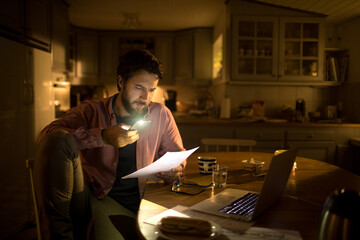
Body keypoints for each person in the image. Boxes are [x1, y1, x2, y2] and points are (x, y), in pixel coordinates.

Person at [34, 49, 186, 240]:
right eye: (139, 87)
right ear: (121, 82)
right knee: (57, 139)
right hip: (94, 197)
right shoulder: (91, 110)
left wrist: (175, 169)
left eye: (152, 90)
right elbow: (46, 137)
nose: (146, 97)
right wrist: (102, 137)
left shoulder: (161, 114)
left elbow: (176, 155)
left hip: (145, 201)